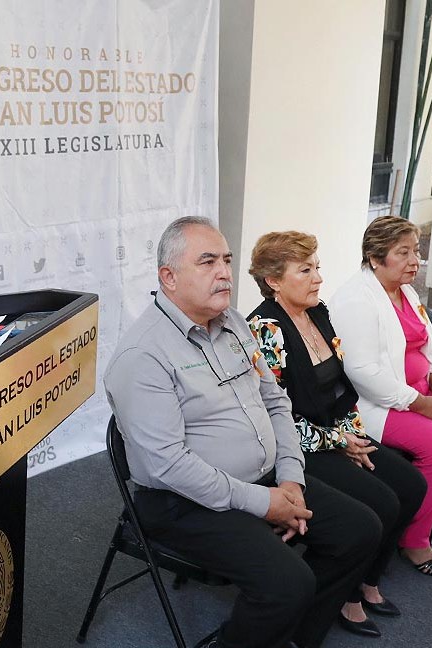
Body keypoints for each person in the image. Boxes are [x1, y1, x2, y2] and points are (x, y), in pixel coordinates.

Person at [103, 216, 381, 648]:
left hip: (267, 479)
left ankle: (292, 637)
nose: (224, 273)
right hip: (184, 502)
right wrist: (265, 504)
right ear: (168, 277)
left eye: (227, 260)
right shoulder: (142, 355)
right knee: (288, 583)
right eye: (207, 262)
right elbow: (167, 466)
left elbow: (276, 402)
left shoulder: (232, 322)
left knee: (360, 530)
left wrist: (291, 479)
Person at [246, 231, 426, 639]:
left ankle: (363, 583)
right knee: (380, 503)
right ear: (274, 281)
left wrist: (352, 438)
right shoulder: (264, 329)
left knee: (411, 485)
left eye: (317, 267)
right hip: (297, 446)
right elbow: (274, 418)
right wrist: (339, 443)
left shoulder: (318, 312)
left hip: (336, 434)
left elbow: (341, 393)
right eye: (305, 270)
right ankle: (332, 600)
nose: (318, 278)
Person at [330, 216, 432, 578]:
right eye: (403, 253)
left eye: (416, 251)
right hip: (377, 404)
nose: (415, 261)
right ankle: (413, 539)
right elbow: (363, 373)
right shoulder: (355, 300)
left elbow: (429, 344)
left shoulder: (406, 291)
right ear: (374, 258)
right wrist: (419, 403)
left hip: (423, 391)